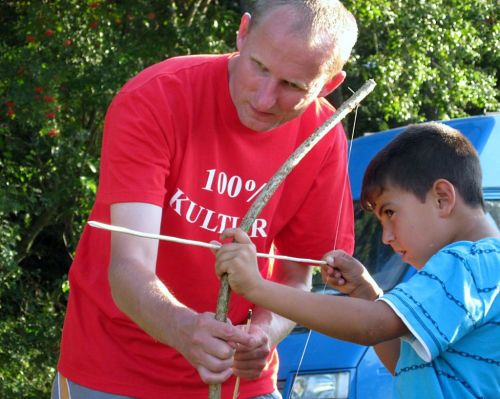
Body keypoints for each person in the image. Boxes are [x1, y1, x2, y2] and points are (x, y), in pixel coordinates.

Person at [52, 1, 358, 398]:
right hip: (112, 371)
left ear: (329, 83)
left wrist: (263, 334)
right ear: (243, 32)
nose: (265, 99)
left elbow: (297, 278)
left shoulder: (323, 137)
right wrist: (185, 330)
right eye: (259, 68)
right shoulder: (157, 97)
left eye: (293, 86)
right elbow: (128, 264)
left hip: (238, 382)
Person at [214, 122, 500, 399]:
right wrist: (367, 293)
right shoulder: (483, 268)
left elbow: (370, 326)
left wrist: (255, 286)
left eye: (389, 212)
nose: (386, 237)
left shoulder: (468, 262)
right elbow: (405, 365)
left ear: (441, 198)